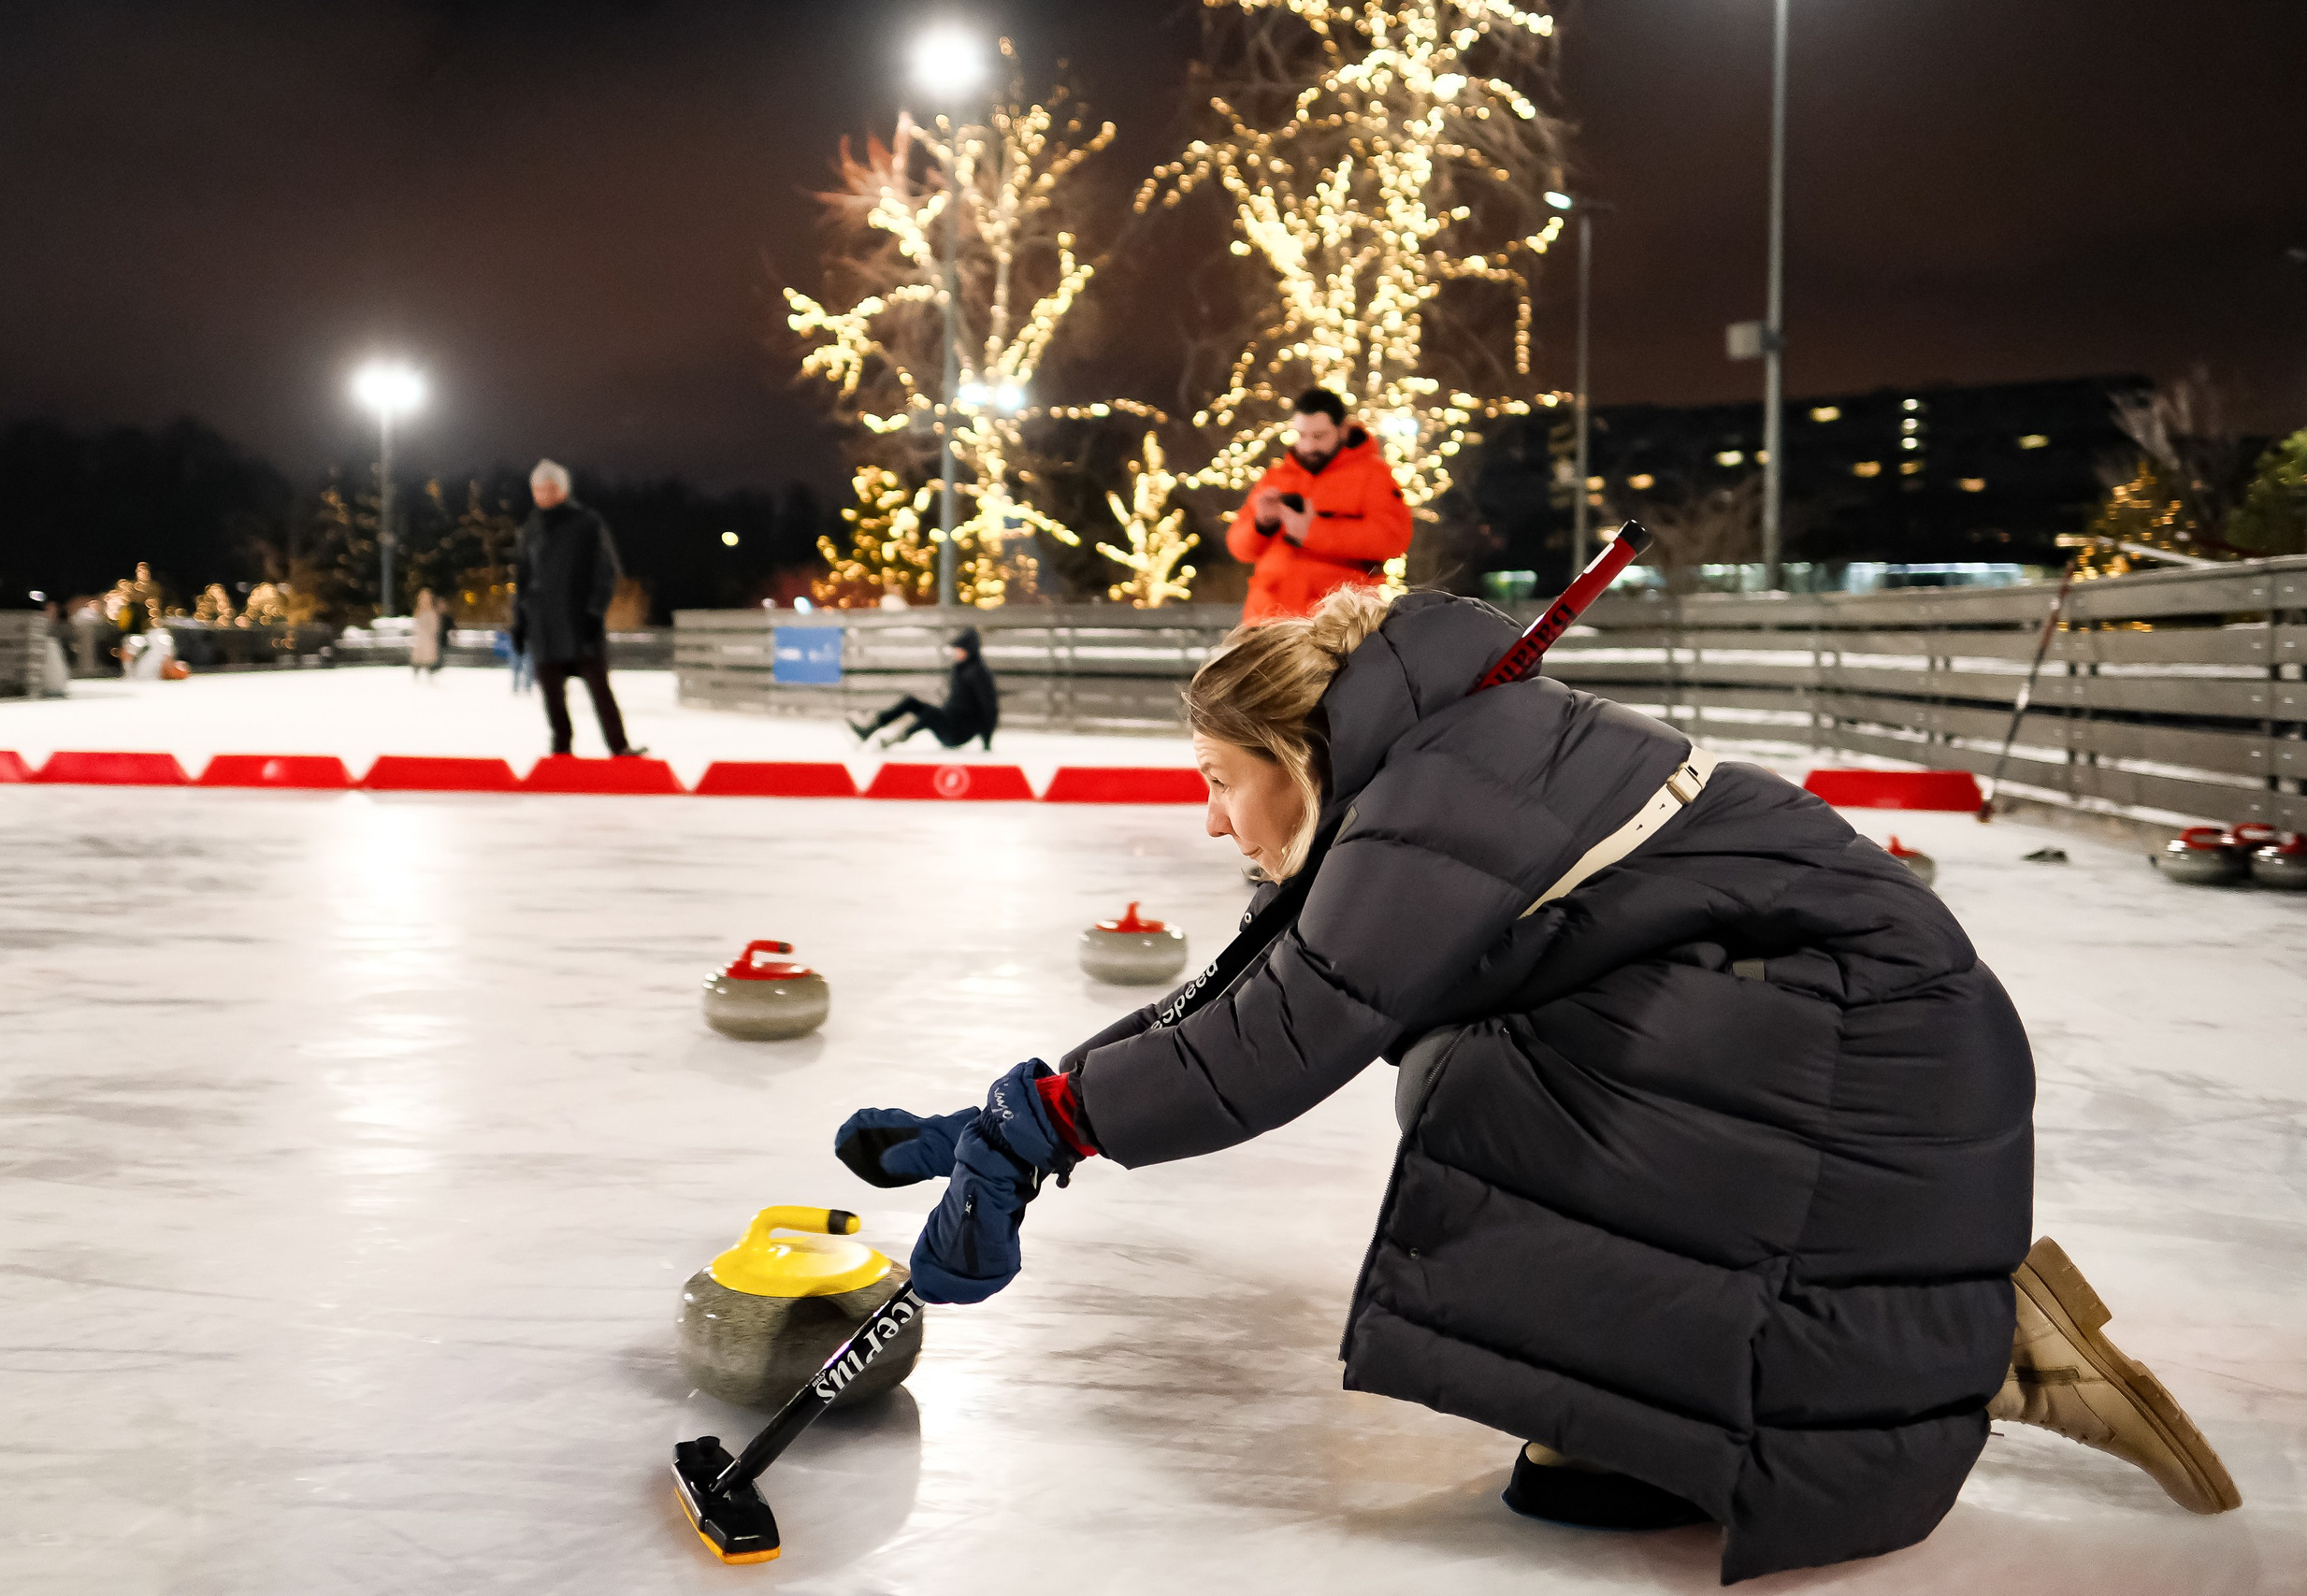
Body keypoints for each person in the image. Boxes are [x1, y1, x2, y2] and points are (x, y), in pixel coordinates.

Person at [835, 586, 2240, 1583]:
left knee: (1478, 1079)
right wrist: (1027, 1111)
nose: (1206, 816)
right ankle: (1877, 1324)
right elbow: (1250, 990)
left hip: (1870, 1053)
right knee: (1470, 1056)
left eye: (1217, 778)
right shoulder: (1425, 764)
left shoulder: (1440, 788)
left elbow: (1292, 1033)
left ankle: (1923, 1332)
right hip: (1845, 1045)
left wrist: (1058, 1126)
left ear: (1296, 756)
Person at [1229, 386, 1414, 625]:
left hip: (1334, 621)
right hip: (1267, 618)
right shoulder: (1277, 476)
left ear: (1343, 430)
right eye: (1302, 435)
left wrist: (1313, 532)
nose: (1308, 447)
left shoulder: (1373, 475)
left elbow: (1392, 539)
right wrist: (1262, 524)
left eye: (1319, 436)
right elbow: (1239, 548)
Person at [513, 460, 644, 757]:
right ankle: (561, 750)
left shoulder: (586, 523)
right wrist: (519, 620)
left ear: (561, 490)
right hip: (544, 626)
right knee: (552, 695)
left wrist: (594, 611)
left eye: (547, 489)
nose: (541, 496)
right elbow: (522, 578)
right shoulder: (531, 529)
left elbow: (605, 572)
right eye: (536, 490)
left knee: (599, 689)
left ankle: (619, 747)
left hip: (580, 623)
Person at [849, 626, 996, 750]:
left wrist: (987, 740)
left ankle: (894, 739)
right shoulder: (960, 669)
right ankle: (870, 728)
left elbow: (988, 706)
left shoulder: (978, 673)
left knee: (928, 713)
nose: (955, 652)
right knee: (912, 702)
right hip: (950, 721)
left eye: (960, 649)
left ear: (969, 650)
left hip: (959, 732)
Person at [409, 588, 448, 680]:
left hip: (428, 638)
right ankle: (417, 670)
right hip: (421, 638)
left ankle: (429, 671)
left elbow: (434, 625)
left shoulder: (431, 612)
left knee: (428, 657)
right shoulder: (419, 611)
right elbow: (416, 624)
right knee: (419, 657)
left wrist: (430, 633)